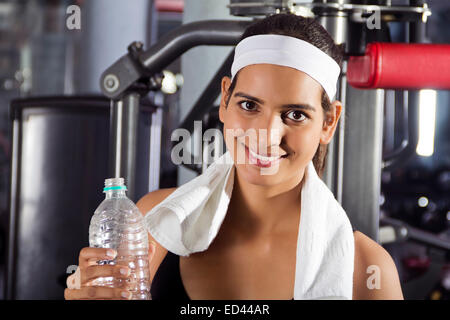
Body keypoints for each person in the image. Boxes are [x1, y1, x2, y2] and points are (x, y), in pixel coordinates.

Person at [65, 13, 404, 300]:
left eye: (296, 114)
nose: (266, 135)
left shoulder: (367, 269)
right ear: (225, 99)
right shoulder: (154, 221)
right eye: (249, 105)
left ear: (328, 122)